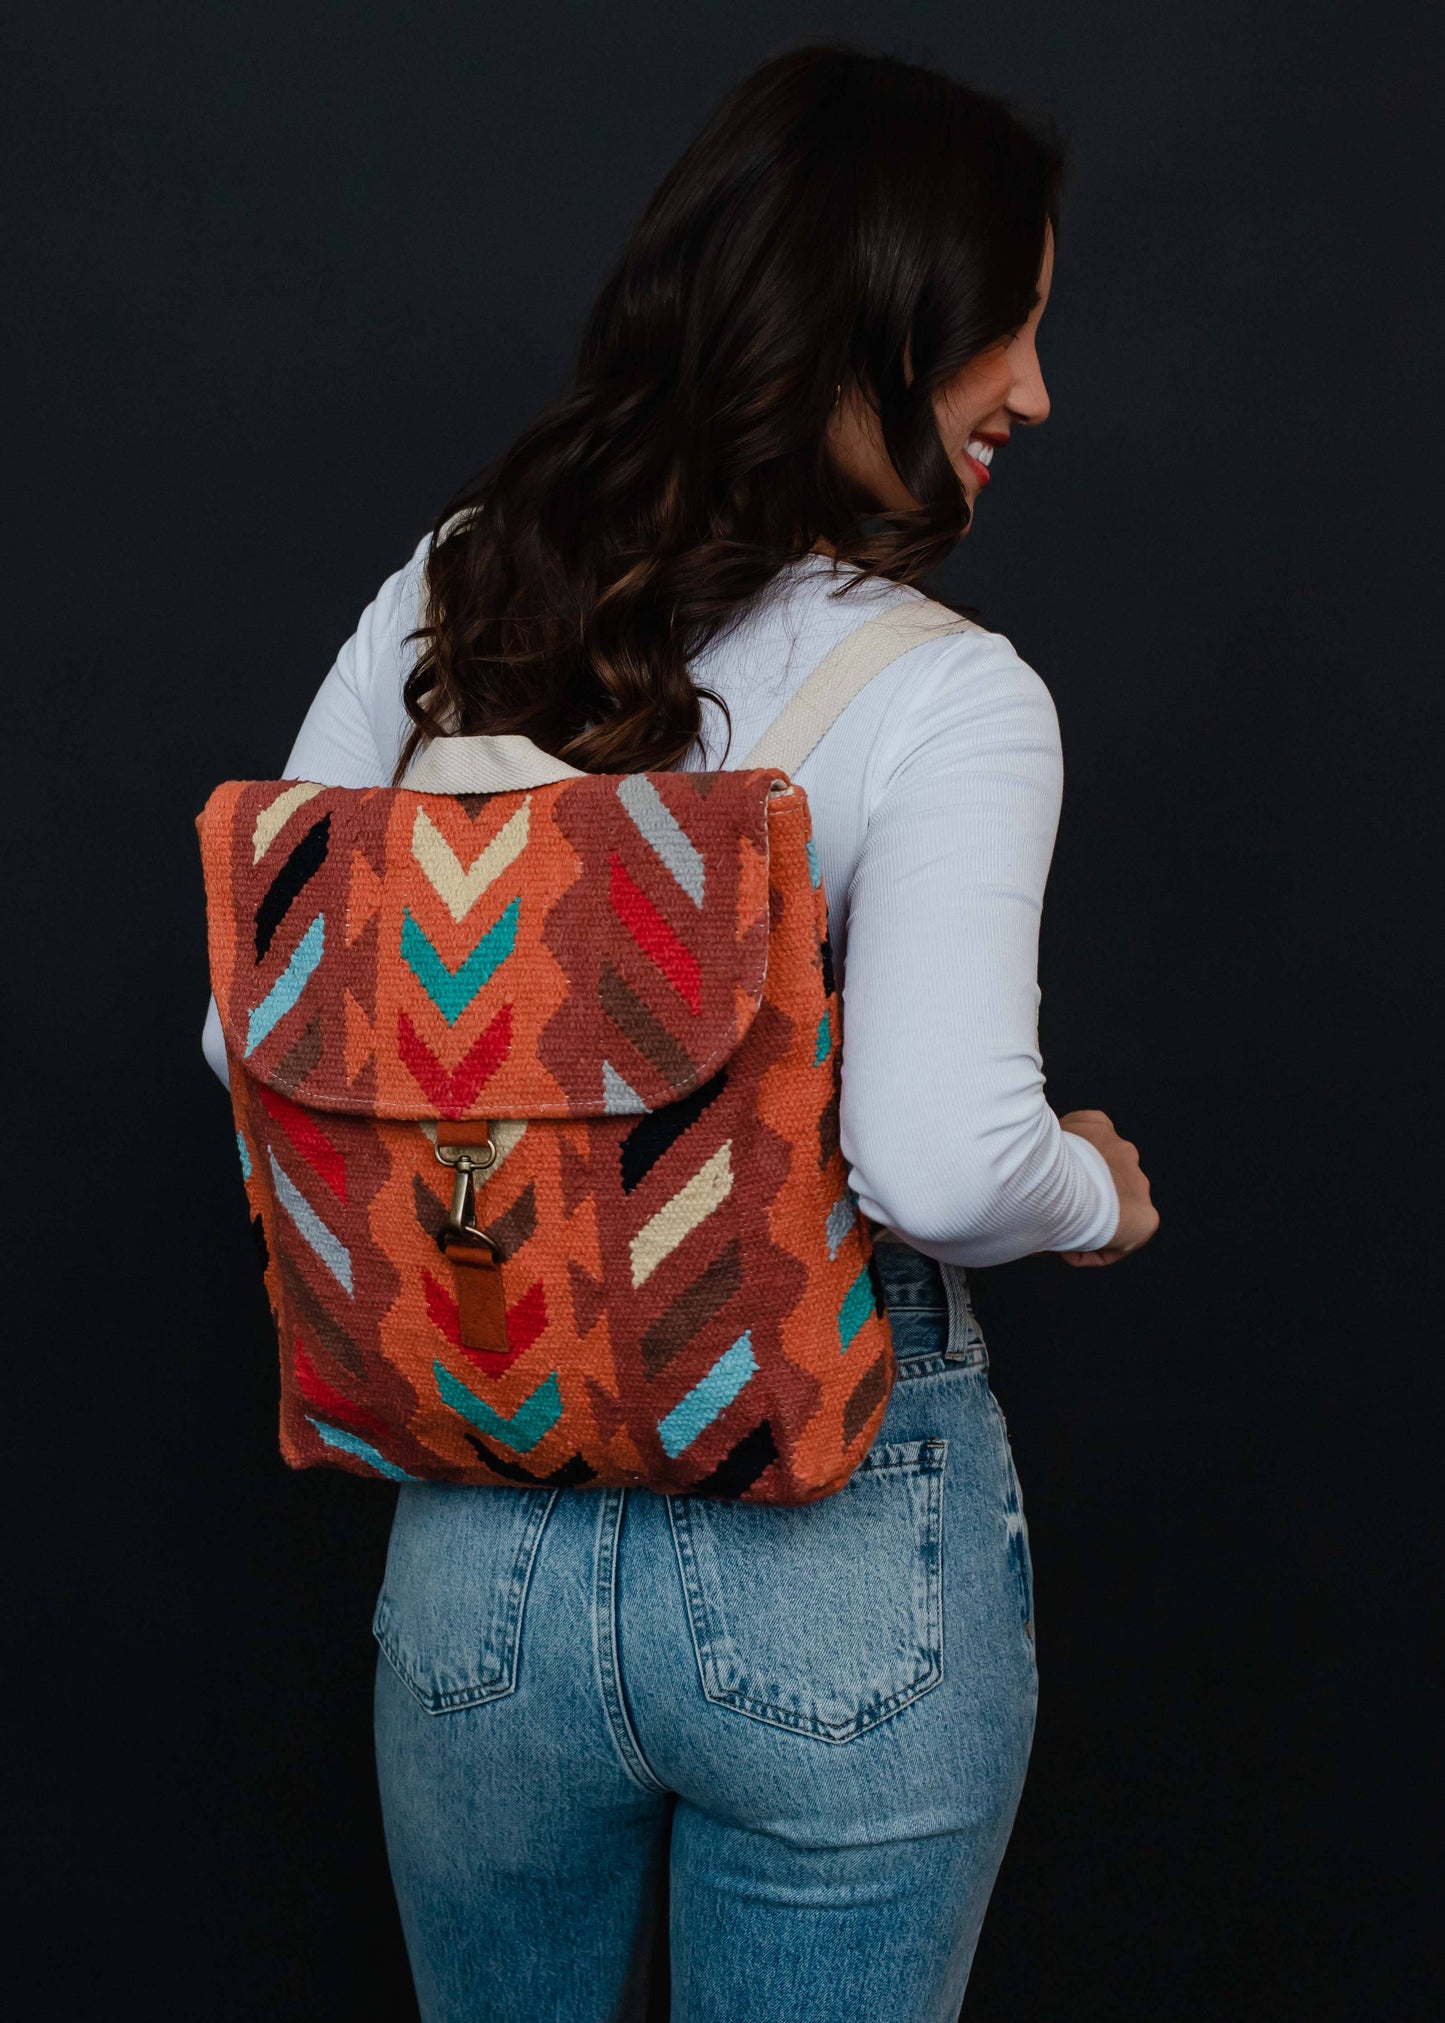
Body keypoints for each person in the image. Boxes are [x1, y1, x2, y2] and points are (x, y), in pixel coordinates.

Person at [203, 40, 1158, 2022]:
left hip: (480, 1544)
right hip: (829, 1543)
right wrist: (1093, 1194)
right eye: (1010, 333)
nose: (1037, 395)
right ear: (872, 325)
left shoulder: (448, 600)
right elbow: (936, 1158)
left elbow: (247, 1037)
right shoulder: (948, 697)